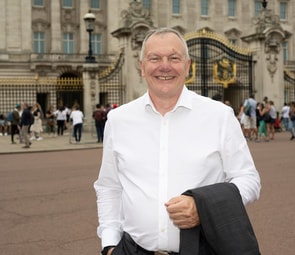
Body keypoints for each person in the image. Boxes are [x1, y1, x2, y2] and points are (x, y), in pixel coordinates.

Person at [94, 28, 261, 255]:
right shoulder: (118, 119)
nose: (165, 66)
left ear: (187, 66)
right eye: (155, 58)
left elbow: (248, 179)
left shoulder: (219, 115)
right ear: (142, 66)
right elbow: (109, 186)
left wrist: (204, 207)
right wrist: (109, 244)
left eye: (174, 58)